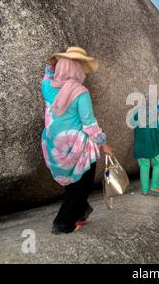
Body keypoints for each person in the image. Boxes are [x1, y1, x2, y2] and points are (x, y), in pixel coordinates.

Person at [41, 47, 114, 235]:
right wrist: (104, 143)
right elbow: (89, 123)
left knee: (72, 183)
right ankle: (63, 223)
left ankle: (82, 211)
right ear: (74, 68)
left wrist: (52, 66)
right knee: (82, 184)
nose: (81, 69)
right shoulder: (80, 92)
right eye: (79, 65)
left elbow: (47, 75)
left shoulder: (47, 86)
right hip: (76, 145)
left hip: (54, 145)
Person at [133, 99, 159, 197]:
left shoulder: (136, 113)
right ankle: (154, 187)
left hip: (140, 146)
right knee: (158, 163)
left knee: (144, 166)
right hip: (153, 145)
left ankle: (144, 190)